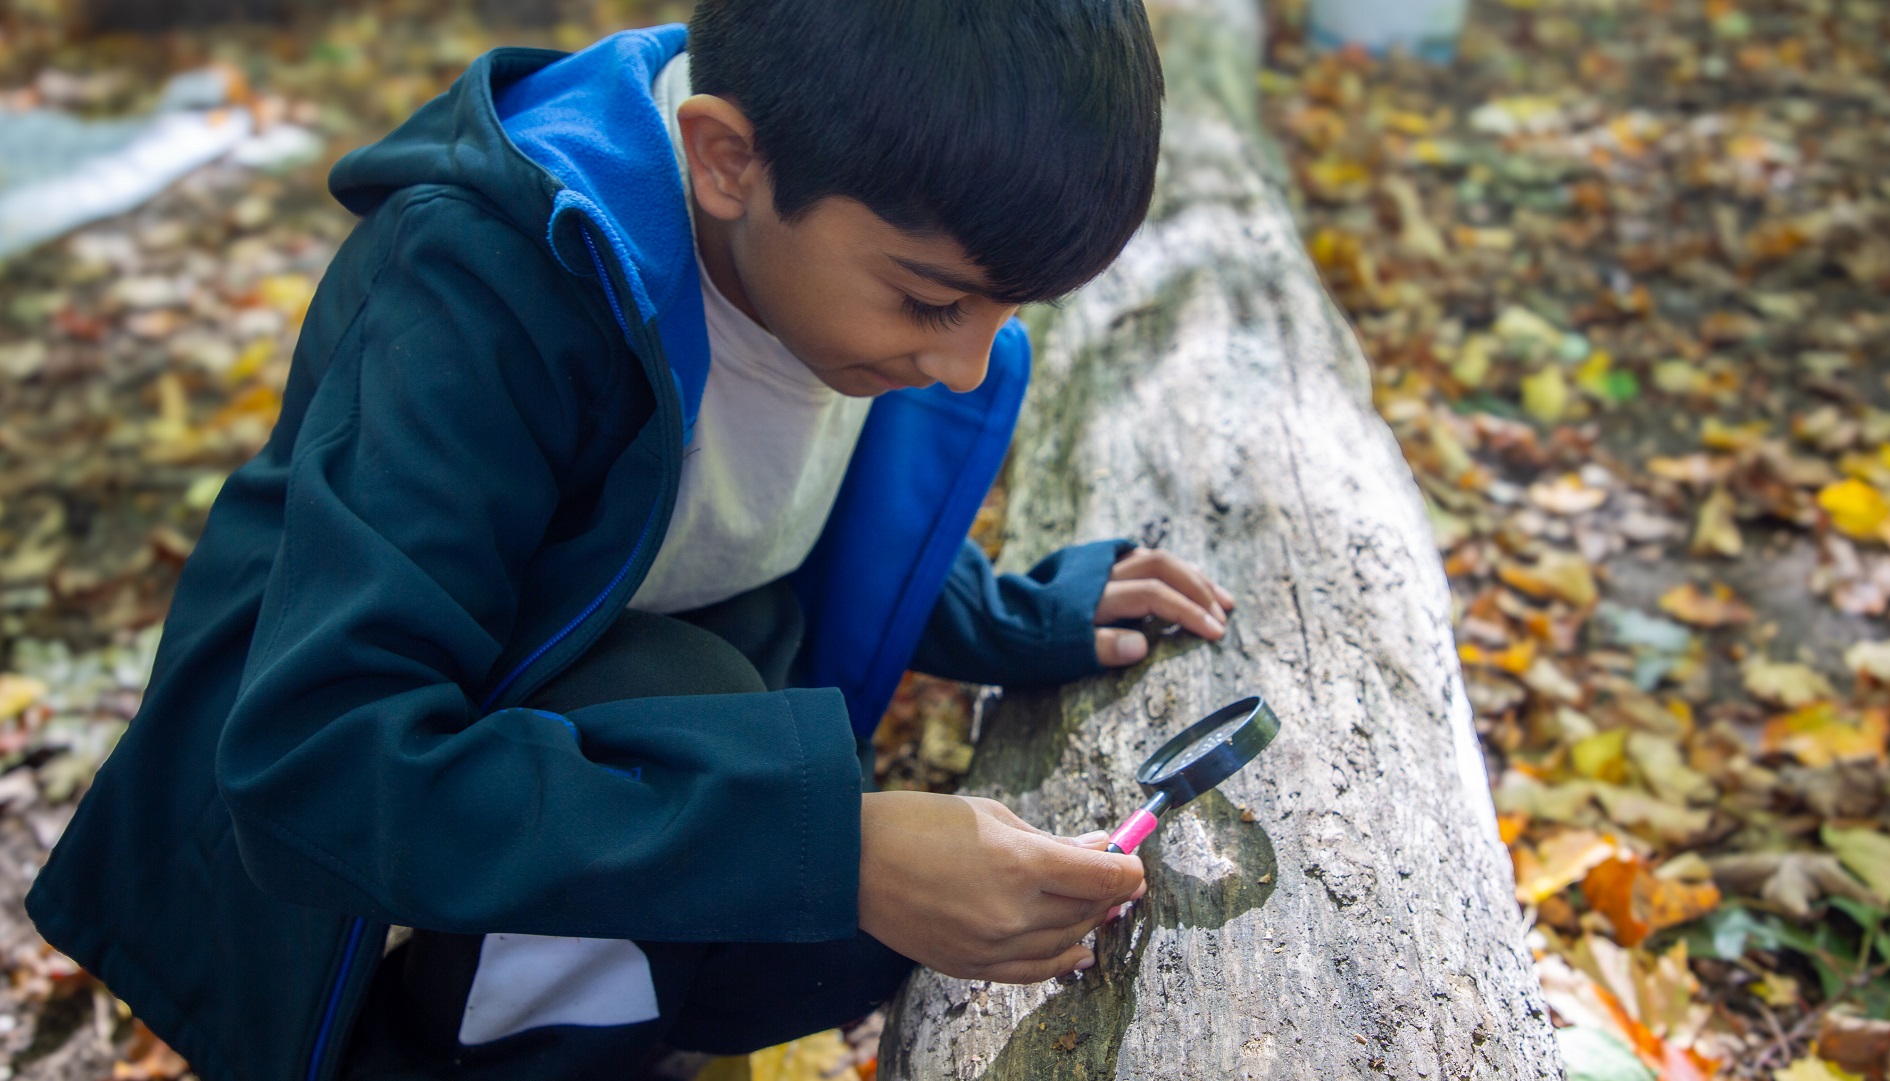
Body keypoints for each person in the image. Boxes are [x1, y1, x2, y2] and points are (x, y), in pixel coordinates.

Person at [27, 2, 1236, 1078]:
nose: (967, 362)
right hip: (333, 891)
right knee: (717, 723)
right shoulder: (487, 289)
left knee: (758, 804)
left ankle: (591, 1015)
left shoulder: (820, 262)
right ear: (724, 159)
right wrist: (837, 847)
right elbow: (320, 762)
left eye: (1012, 308)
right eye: (933, 300)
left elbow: (751, 511)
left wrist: (1015, 616)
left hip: (585, 765)